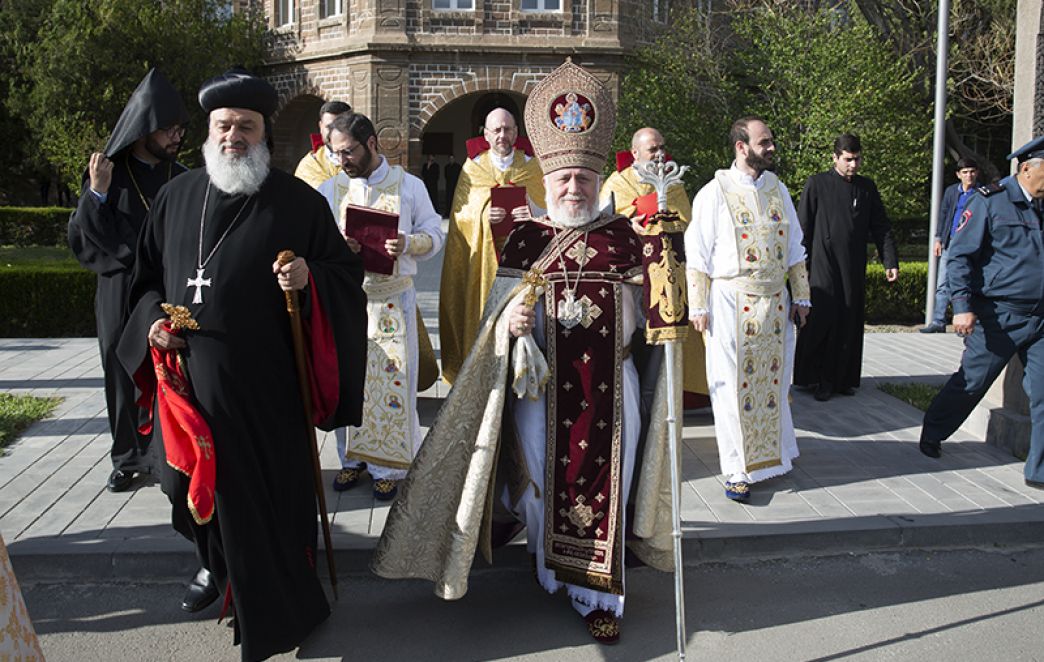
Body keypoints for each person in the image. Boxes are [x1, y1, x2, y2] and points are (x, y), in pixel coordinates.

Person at [373, 59, 677, 645]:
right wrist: (509, 321)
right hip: (542, 392)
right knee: (544, 484)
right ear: (550, 180)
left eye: (584, 180)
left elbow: (656, 324)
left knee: (605, 482)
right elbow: (493, 319)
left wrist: (663, 279)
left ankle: (599, 592)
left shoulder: (624, 240)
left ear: (597, 182)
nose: (573, 189)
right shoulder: (528, 237)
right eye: (564, 179)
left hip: (613, 391)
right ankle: (554, 568)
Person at [117, 68, 367, 660]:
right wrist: (154, 320)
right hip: (189, 384)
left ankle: (281, 608)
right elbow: (145, 280)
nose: (233, 136)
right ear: (209, 132)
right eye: (223, 126)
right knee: (187, 487)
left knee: (268, 499)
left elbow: (343, 276)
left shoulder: (298, 203)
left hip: (267, 386)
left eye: (245, 127)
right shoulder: (176, 198)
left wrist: (309, 280)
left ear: (264, 135)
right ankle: (216, 568)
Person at [68, 68, 189, 493]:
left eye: (179, 129)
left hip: (171, 288)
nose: (177, 137)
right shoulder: (110, 176)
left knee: (171, 374)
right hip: (121, 292)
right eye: (168, 129)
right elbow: (82, 237)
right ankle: (128, 458)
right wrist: (97, 195)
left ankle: (167, 456)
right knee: (122, 374)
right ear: (144, 131)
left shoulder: (186, 175)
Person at [317, 112, 444, 500]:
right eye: (335, 153)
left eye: (349, 151)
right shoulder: (329, 189)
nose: (343, 161)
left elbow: (435, 233)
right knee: (347, 380)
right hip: (347, 300)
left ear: (371, 143)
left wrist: (408, 243)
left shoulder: (409, 186)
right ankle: (351, 460)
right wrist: (340, 246)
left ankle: (388, 466)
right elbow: (317, 244)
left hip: (392, 299)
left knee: (391, 380)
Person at [685, 116, 811, 502]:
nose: (771, 148)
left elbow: (795, 248)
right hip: (729, 303)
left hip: (774, 305)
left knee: (774, 382)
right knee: (728, 389)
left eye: (770, 141)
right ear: (742, 147)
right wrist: (698, 305)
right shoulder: (714, 192)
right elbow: (698, 254)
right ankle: (737, 470)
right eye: (764, 142)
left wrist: (802, 296)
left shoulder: (778, 189)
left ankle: (776, 458)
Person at [919, 137, 1044, 490]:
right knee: (972, 382)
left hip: (1041, 317)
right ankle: (934, 430)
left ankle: (1039, 471)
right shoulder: (990, 202)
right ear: (1026, 169)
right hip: (999, 315)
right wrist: (961, 307)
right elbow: (959, 256)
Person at [438, 107, 547, 384]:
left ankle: (524, 372)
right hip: (485, 261)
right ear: (485, 134)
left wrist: (532, 211)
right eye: (496, 130)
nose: (502, 135)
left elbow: (548, 209)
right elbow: (462, 214)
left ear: (516, 132)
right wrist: (484, 214)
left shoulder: (531, 167)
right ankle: (482, 375)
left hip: (524, 260)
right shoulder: (473, 168)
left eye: (507, 129)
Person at [601, 126, 709, 402]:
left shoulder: (673, 182)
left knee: (662, 344)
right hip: (631, 277)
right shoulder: (617, 182)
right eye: (653, 149)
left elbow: (688, 222)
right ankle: (631, 398)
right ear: (635, 153)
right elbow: (604, 223)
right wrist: (629, 222)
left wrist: (667, 219)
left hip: (667, 277)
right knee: (633, 339)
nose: (660, 155)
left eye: (662, 148)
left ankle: (659, 399)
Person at [793, 133, 899, 401]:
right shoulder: (817, 184)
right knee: (823, 318)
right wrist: (799, 268)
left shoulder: (866, 188)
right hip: (822, 264)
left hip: (852, 266)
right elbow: (802, 227)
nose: (853, 165)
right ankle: (817, 379)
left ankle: (843, 378)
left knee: (849, 319)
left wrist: (890, 260)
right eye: (848, 159)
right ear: (835, 158)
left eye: (857, 159)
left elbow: (881, 226)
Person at [921, 157, 981, 333]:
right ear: (958, 175)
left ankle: (964, 324)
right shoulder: (951, 192)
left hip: (971, 243)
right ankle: (938, 321)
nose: (969, 175)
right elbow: (944, 214)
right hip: (951, 241)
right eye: (965, 172)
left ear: (977, 173)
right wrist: (938, 238)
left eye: (972, 171)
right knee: (943, 283)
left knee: (966, 283)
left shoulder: (981, 193)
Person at [293, 100, 352, 187]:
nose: (334, 134)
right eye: (329, 127)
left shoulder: (367, 162)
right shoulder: (308, 167)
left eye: (340, 127)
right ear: (320, 127)